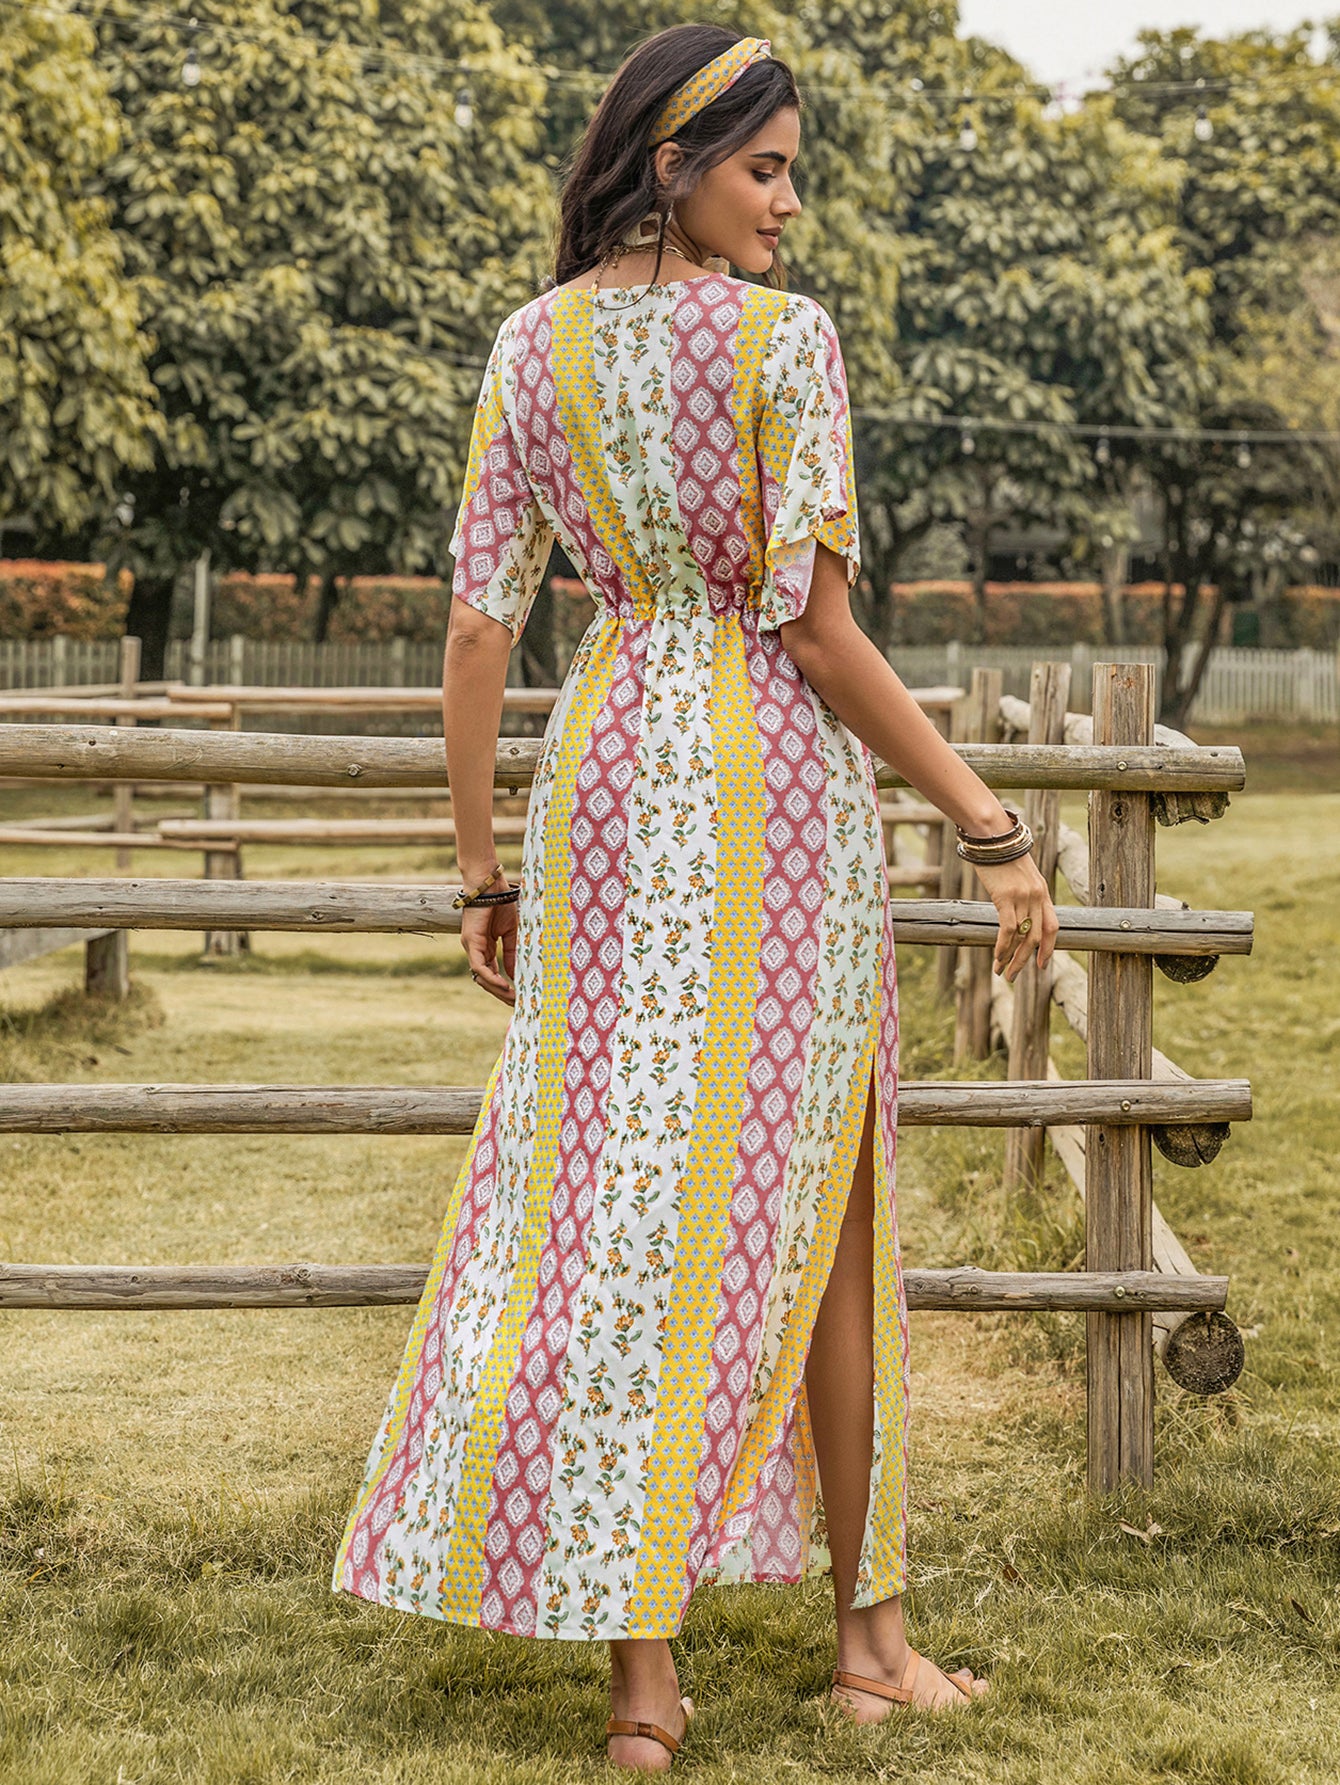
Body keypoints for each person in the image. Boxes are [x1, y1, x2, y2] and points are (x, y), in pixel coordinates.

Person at [332, 23, 1059, 1773]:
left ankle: (643, 1691)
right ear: (673, 163)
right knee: (830, 1208)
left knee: (619, 1205)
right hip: (769, 797)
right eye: (765, 169)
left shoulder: (532, 343)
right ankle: (868, 1644)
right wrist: (982, 815)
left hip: (602, 776)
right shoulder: (782, 345)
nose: (788, 205)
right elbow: (815, 626)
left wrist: (480, 867)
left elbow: (478, 626)